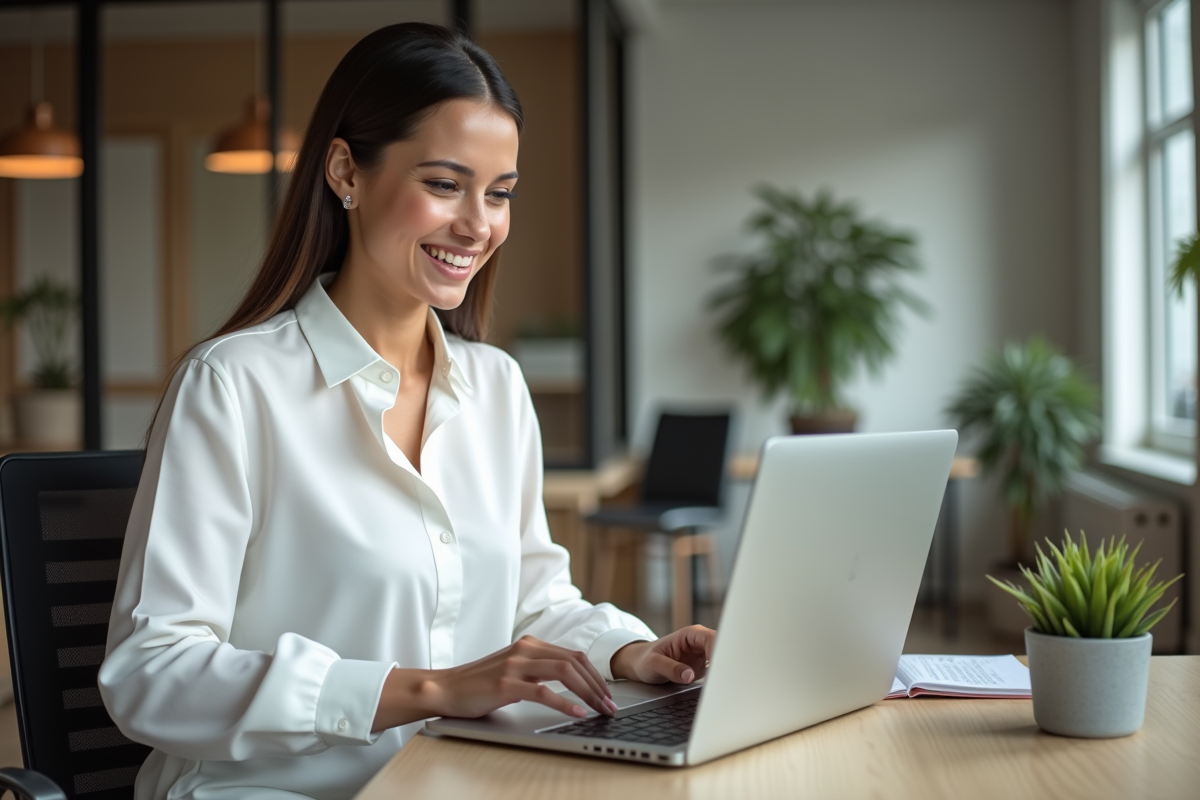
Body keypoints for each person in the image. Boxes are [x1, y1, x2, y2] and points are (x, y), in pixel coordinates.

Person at [99, 22, 714, 800]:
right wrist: (428, 690)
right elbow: (152, 672)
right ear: (346, 170)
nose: (478, 225)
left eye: (499, 194)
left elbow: (533, 599)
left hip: (456, 780)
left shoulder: (495, 387)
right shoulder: (233, 386)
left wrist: (631, 650)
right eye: (444, 184)